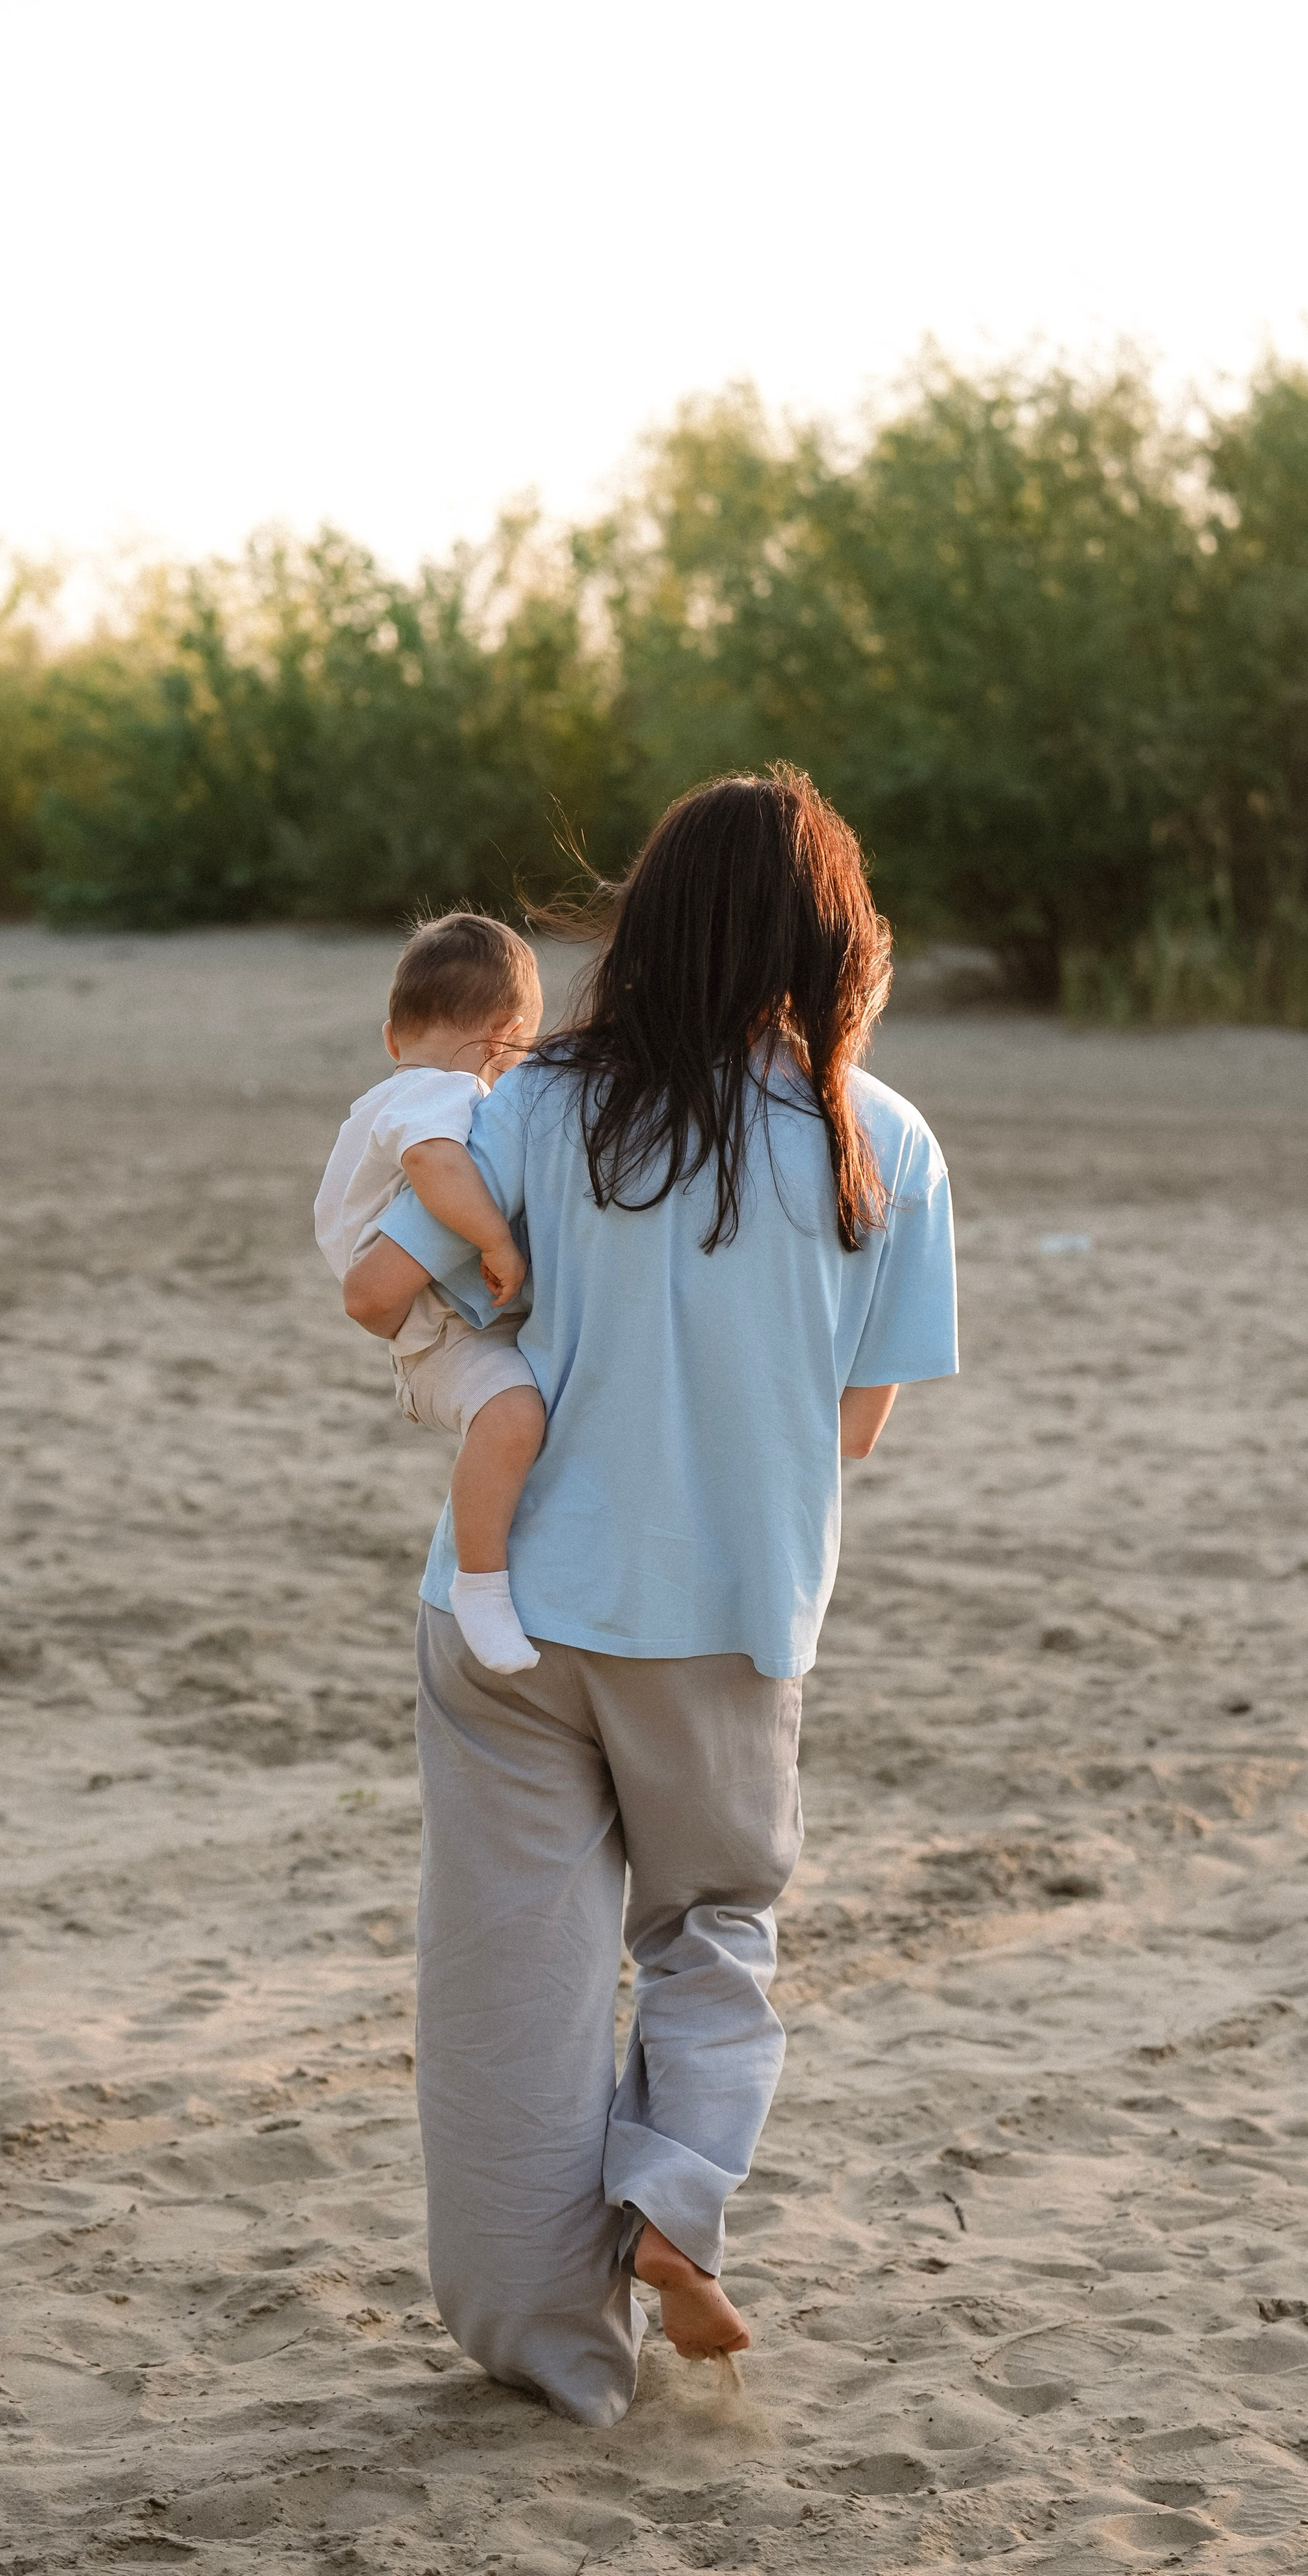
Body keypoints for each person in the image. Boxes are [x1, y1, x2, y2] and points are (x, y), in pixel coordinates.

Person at [343, 769, 958, 2427]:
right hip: (727, 1611)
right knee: (710, 1927)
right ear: (828, 942)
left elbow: (388, 1286)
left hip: (506, 1609)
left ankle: (551, 2353)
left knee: (504, 1987)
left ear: (645, 922)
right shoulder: (877, 1136)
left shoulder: (527, 1107)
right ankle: (675, 2196)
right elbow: (854, 1420)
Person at [314, 911, 547, 1674]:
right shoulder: (441, 1095)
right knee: (513, 1415)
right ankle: (479, 1585)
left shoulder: (394, 1090)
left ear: (391, 1035)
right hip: (432, 1330)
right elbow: (435, 1168)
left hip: (425, 1318)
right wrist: (495, 1239)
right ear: (504, 1038)